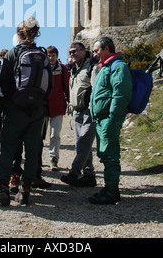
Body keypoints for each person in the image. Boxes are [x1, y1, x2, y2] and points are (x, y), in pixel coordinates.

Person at [0, 17, 53, 206]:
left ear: (19, 34)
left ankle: (3, 189)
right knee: (32, 150)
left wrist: (10, 104)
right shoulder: (42, 55)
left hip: (15, 110)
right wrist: (38, 103)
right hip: (36, 111)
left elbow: (3, 82)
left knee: (8, 149)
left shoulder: (13, 53)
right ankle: (25, 189)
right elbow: (49, 86)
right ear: (36, 33)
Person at [88, 36, 132, 205]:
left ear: (107, 49)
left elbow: (121, 93)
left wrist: (113, 117)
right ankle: (109, 188)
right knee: (105, 154)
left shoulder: (118, 66)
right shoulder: (105, 67)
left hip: (109, 119)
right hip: (102, 118)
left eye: (97, 50)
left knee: (110, 155)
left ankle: (112, 191)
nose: (94, 54)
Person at [61, 41, 96, 187]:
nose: (72, 54)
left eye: (75, 51)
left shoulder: (92, 67)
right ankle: (89, 175)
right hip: (76, 111)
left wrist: (93, 108)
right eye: (70, 52)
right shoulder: (74, 69)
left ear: (83, 51)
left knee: (83, 143)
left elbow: (95, 89)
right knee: (81, 145)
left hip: (89, 111)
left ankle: (74, 173)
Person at [46, 45, 70, 171]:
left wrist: (70, 102)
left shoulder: (63, 70)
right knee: (39, 135)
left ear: (57, 56)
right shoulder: (42, 70)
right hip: (44, 107)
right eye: (49, 56)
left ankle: (53, 159)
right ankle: (36, 160)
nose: (51, 58)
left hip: (58, 106)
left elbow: (67, 87)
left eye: (53, 56)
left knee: (55, 134)